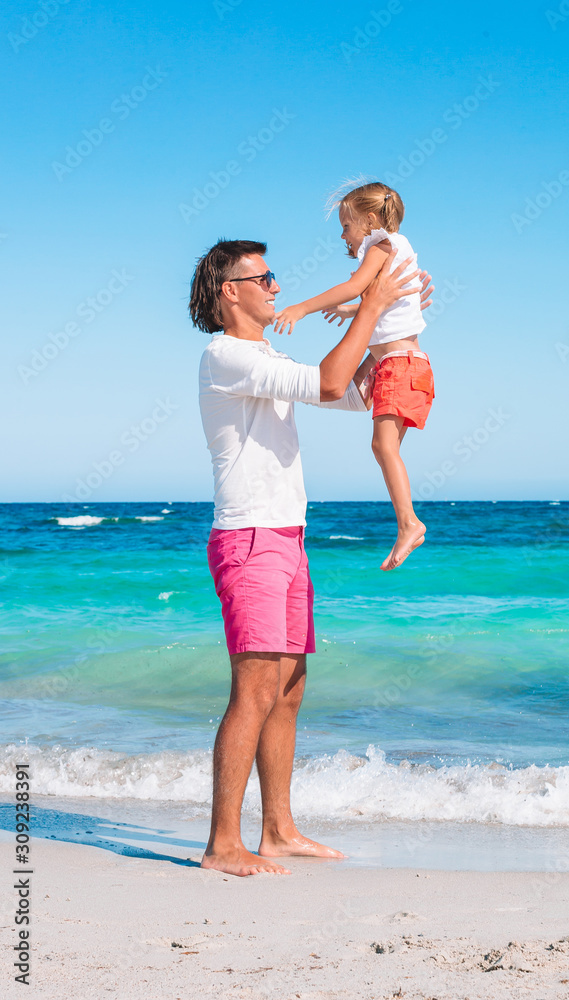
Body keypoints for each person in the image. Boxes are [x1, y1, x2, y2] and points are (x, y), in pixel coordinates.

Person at [189, 238, 432, 877]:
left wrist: (394, 333)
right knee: (256, 688)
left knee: (290, 690)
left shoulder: (263, 354)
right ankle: (222, 844)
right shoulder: (225, 355)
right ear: (228, 292)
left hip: (287, 536)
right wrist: (369, 306)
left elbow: (347, 392)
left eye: (275, 276)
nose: (275, 286)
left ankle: (278, 830)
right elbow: (327, 379)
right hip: (250, 538)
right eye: (262, 277)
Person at [273, 181, 434, 571]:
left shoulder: (381, 245)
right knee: (378, 440)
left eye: (346, 226)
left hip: (399, 366)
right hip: (401, 366)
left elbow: (356, 285)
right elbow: (381, 303)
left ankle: (409, 523)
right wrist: (351, 312)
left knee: (383, 448)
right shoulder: (397, 249)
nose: (343, 236)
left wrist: (301, 308)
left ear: (371, 221)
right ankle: (408, 522)